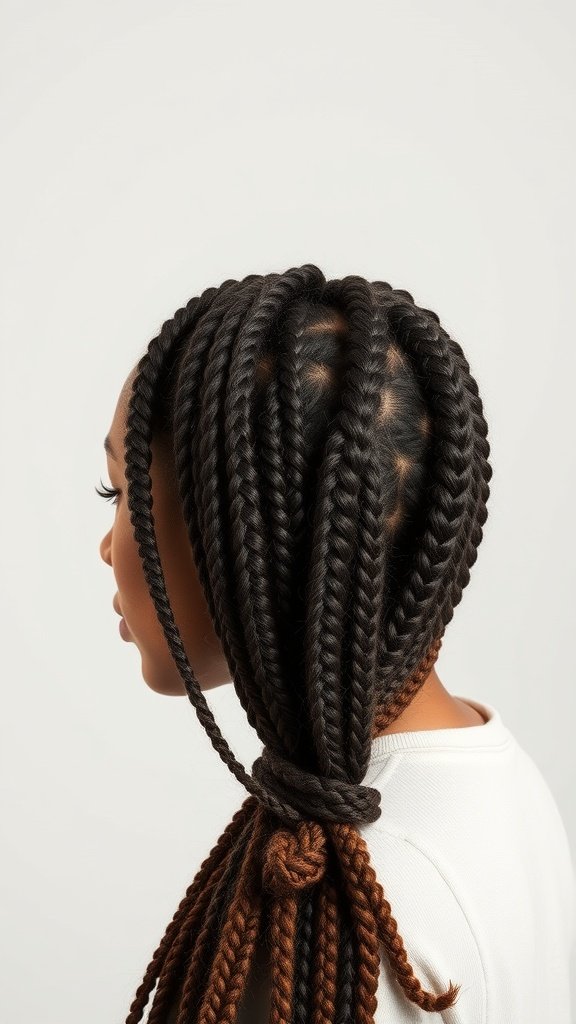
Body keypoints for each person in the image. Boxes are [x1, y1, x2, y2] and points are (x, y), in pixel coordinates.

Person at [98, 265, 575, 1022]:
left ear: (241, 531)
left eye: (121, 492)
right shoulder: (499, 777)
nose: (105, 545)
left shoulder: (336, 924)